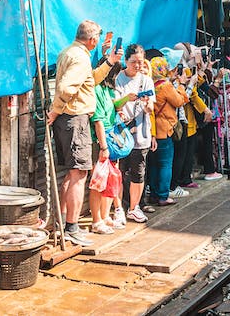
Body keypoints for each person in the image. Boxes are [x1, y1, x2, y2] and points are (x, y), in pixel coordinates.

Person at [49, 20, 121, 247]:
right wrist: (55, 110)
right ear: (92, 40)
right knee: (79, 175)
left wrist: (110, 62)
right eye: (98, 38)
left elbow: (88, 81)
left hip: (69, 119)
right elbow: (66, 88)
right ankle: (71, 226)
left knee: (73, 174)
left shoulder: (71, 52)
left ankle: (64, 223)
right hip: (75, 119)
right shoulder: (80, 57)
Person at [88, 63, 134, 234]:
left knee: (111, 181)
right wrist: (103, 147)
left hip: (111, 140)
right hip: (102, 141)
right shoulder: (97, 90)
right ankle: (96, 221)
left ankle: (105, 216)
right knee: (98, 182)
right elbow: (98, 121)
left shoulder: (108, 91)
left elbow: (113, 108)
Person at [116, 45, 154, 223]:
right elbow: (114, 105)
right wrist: (126, 99)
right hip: (120, 135)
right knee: (119, 172)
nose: (137, 66)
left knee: (138, 173)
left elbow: (151, 108)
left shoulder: (146, 80)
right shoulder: (118, 78)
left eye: (140, 62)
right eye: (134, 62)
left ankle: (134, 207)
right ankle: (118, 208)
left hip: (141, 134)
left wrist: (146, 104)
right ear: (126, 61)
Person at [149, 57, 189, 206]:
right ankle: (163, 195)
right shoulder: (166, 86)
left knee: (154, 164)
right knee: (165, 164)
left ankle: (154, 193)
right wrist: (181, 85)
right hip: (165, 129)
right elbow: (180, 101)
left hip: (154, 130)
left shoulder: (152, 84)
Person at [171, 65, 213, 193]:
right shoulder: (177, 76)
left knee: (186, 151)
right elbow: (190, 95)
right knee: (181, 154)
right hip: (181, 121)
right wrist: (205, 109)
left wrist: (203, 69)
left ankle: (183, 179)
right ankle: (177, 183)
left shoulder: (189, 70)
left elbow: (200, 86)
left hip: (188, 120)